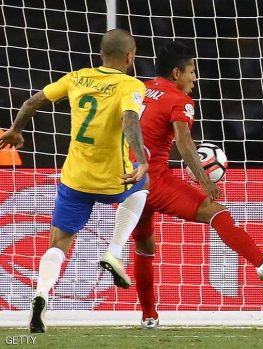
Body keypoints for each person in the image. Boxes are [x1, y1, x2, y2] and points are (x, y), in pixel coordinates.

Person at [132, 41, 263, 329]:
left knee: (144, 245)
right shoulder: (179, 100)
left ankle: (149, 315)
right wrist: (202, 180)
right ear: (176, 73)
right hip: (154, 180)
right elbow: (184, 143)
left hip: (125, 179)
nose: (195, 78)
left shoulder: (138, 89)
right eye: (192, 72)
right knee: (216, 211)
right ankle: (261, 262)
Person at [0, 29, 150, 333]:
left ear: (101, 55)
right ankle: (114, 251)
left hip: (75, 178)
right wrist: (142, 159)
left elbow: (31, 102)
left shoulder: (76, 77)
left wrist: (16, 130)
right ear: (130, 56)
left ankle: (40, 293)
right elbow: (130, 120)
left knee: (59, 242)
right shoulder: (130, 84)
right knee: (144, 187)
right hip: (112, 178)